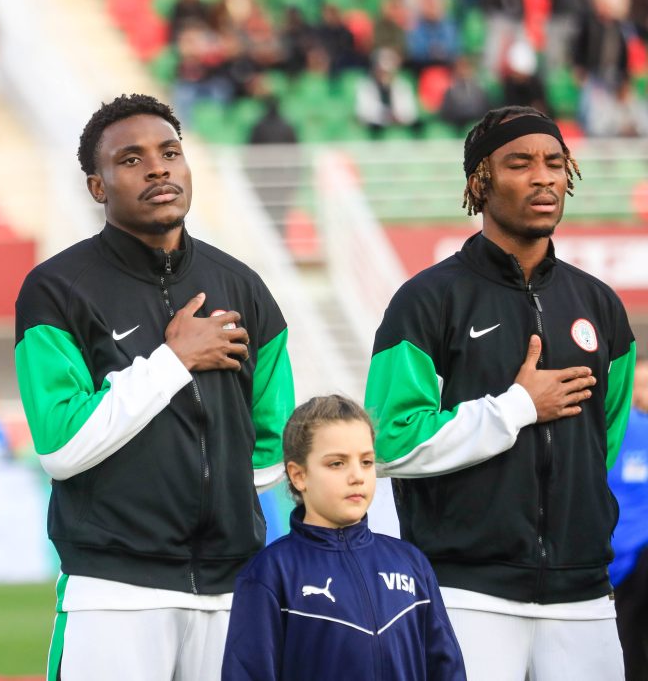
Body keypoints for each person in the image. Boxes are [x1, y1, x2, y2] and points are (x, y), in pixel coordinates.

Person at [14, 93, 294, 680]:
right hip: (114, 592)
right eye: (132, 159)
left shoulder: (243, 286)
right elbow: (61, 445)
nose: (158, 169)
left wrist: (215, 503)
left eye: (170, 153)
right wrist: (173, 360)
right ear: (97, 186)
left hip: (232, 589)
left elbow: (272, 442)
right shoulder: (56, 290)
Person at [364, 105, 637, 680]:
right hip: (467, 591)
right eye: (520, 163)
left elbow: (601, 445)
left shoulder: (602, 306)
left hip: (583, 594)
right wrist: (516, 409)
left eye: (555, 163)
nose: (543, 178)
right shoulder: (425, 301)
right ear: (480, 182)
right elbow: (390, 441)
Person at [222, 395, 465, 681]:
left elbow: (447, 670)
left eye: (366, 462)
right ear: (298, 475)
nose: (357, 476)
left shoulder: (411, 563)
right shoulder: (270, 573)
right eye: (337, 463)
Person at [610, 358, 648, 680]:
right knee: (625, 645)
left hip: (639, 554)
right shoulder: (611, 430)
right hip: (615, 555)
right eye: (639, 385)